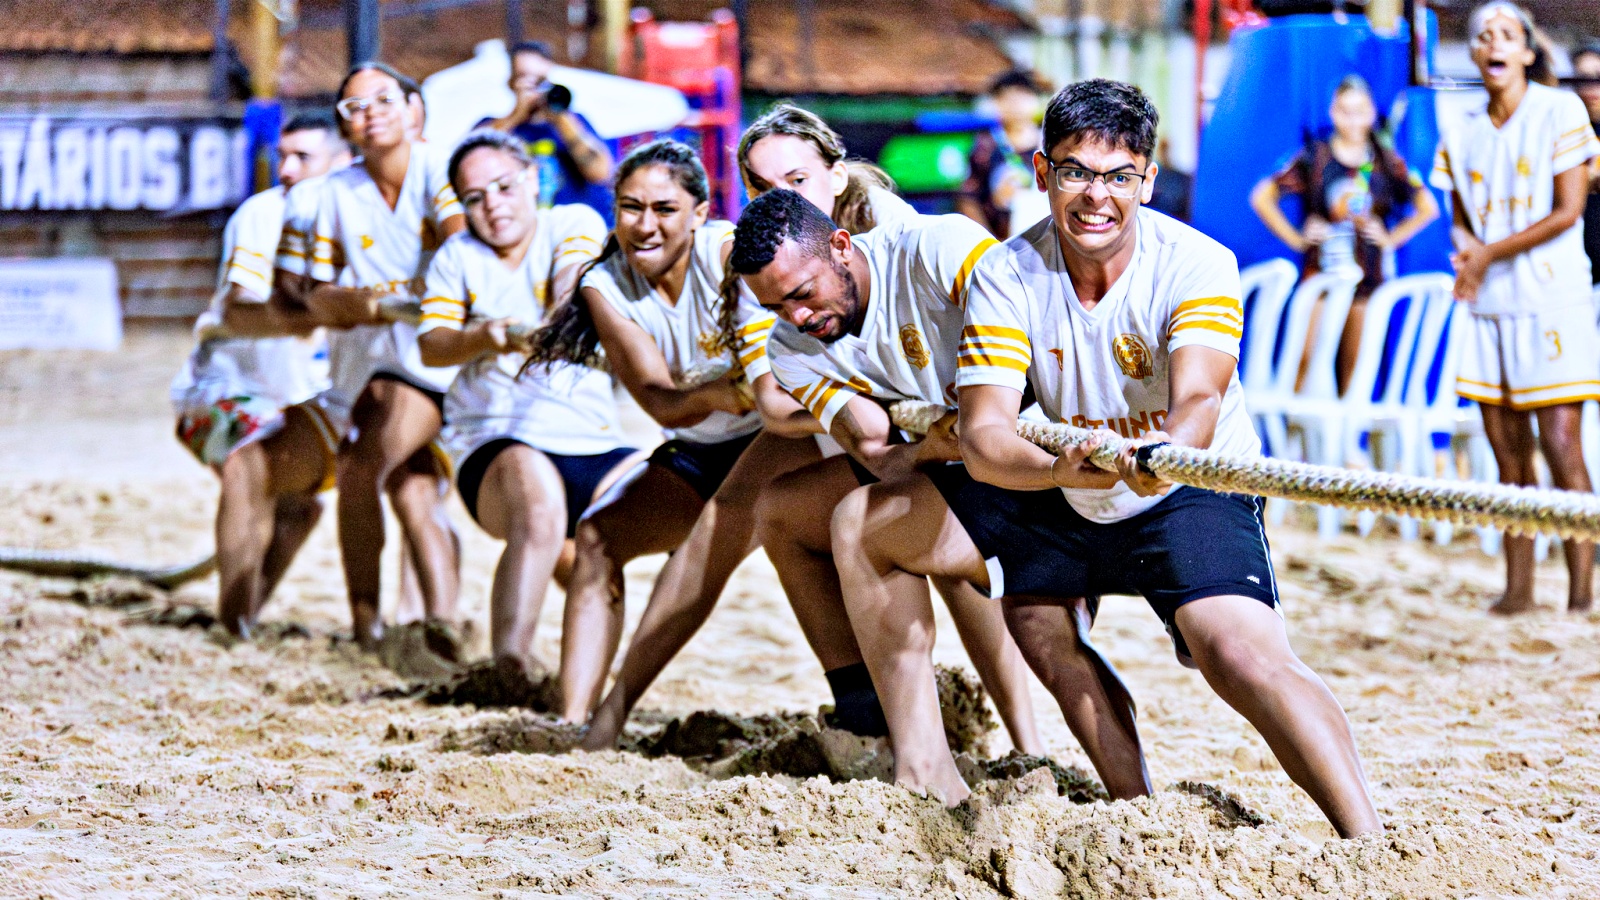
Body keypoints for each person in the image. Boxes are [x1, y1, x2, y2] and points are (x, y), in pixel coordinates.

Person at [831, 78, 1382, 839]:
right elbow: (986, 433)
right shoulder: (1005, 272)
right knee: (1024, 617)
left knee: (1238, 654)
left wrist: (1161, 458)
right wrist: (1059, 471)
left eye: (1120, 175)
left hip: (1186, 483)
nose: (1098, 196)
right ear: (1041, 172)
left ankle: (1369, 843)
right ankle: (1133, 811)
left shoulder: (1198, 261)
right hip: (1069, 479)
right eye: (1076, 172)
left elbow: (1199, 402)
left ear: (1149, 179)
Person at [525, 140, 821, 744]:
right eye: (630, 207)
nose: (644, 223)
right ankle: (571, 720)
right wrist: (716, 393)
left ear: (700, 212)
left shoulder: (731, 255)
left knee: (727, 546)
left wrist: (721, 391)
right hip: (702, 445)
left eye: (664, 208)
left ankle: (611, 715)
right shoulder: (604, 285)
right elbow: (657, 399)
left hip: (781, 438)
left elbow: (767, 392)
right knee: (597, 539)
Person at [729, 189, 1043, 754]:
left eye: (802, 295)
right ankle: (865, 717)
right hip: (946, 457)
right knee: (782, 510)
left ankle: (1027, 742)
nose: (797, 317)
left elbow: (1037, 329)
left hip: (1038, 448)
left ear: (842, 245)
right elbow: (877, 453)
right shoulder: (791, 347)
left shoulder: (936, 247)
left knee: (897, 523)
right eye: (776, 308)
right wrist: (931, 449)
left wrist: (969, 434)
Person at [416, 130, 644, 667]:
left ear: (531, 179)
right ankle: (510, 665)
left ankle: (599, 682)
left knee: (686, 507)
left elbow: (572, 285)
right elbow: (432, 343)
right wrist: (485, 336)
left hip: (593, 440)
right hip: (497, 438)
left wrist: (554, 323)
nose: (493, 205)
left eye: (502, 187)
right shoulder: (457, 256)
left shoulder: (573, 223)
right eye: (475, 198)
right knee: (539, 504)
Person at [275, 62, 467, 648]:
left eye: (383, 100)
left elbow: (463, 250)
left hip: (442, 366)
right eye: (354, 107)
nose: (371, 113)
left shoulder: (443, 172)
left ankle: (377, 627)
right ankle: (440, 629)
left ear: (413, 110)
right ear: (344, 127)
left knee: (364, 471)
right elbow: (308, 299)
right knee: (410, 489)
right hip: (358, 373)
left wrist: (364, 301)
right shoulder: (329, 195)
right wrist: (379, 304)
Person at [1433, 3, 1600, 614]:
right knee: (1508, 459)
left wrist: (1484, 254)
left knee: (1562, 448)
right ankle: (1519, 589)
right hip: (1489, 303)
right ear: (1475, 54)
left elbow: (1567, 212)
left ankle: (1582, 593)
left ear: (1528, 52)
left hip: (1551, 296)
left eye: (1506, 34)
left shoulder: (1559, 110)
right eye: (1482, 36)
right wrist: (1467, 255)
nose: (1492, 43)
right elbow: (1459, 221)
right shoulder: (1463, 126)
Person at [172, 112, 350, 637]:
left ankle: (244, 614)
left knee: (304, 507)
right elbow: (239, 304)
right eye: (284, 157)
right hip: (218, 388)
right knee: (248, 459)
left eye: (304, 158)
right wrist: (316, 313)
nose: (288, 170)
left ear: (342, 164)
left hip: (290, 399)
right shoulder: (263, 214)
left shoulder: (354, 221)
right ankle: (232, 624)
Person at [1250, 74, 1439, 394]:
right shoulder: (1315, 156)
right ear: (1333, 112)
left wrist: (1390, 239)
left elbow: (1428, 207)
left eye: (1359, 110)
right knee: (1304, 361)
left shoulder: (1386, 159)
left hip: (1367, 278)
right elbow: (1262, 196)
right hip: (1321, 273)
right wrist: (1298, 238)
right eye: (1344, 110)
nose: (1351, 119)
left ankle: (1346, 440)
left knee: (1357, 369)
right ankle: (1299, 440)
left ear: (1370, 114)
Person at [737, 103, 917, 238]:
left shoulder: (886, 220)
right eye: (763, 189)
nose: (782, 202)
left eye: (798, 180)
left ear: (837, 178)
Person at [481, 41, 615, 220]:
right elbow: (472, 163)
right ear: (511, 82)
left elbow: (601, 173)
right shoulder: (493, 125)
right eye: (525, 79)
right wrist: (515, 116)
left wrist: (560, 118)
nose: (537, 89)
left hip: (574, 229)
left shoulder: (574, 122)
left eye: (542, 81)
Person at [958, 69, 1051, 239]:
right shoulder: (984, 147)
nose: (1015, 105)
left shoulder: (1052, 144)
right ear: (996, 102)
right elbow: (968, 198)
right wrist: (988, 243)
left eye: (1022, 97)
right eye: (1007, 98)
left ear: (1036, 100)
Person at [1569, 42, 1600, 286]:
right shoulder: (1568, 133)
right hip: (1578, 270)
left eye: (1598, 77)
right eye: (1582, 78)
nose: (1591, 87)